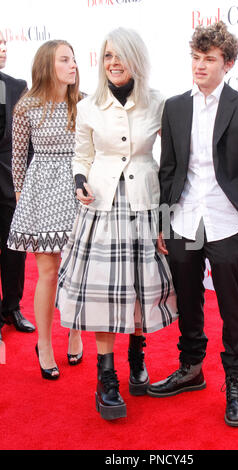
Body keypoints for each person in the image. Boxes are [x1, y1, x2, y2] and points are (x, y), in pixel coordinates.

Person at [147, 22, 238, 428]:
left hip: (226, 221)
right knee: (188, 298)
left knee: (232, 305)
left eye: (210, 59)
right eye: (196, 58)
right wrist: (163, 222)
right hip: (182, 219)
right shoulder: (176, 106)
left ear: (228, 64)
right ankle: (191, 368)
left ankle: (236, 380)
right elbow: (168, 169)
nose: (200, 66)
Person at [56, 27, 177, 420]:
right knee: (104, 292)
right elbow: (81, 156)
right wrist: (79, 180)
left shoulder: (159, 103)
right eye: (107, 56)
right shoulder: (90, 105)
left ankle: (136, 358)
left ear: (136, 59)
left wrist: (169, 217)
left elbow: (175, 159)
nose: (113, 62)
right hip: (102, 207)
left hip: (145, 203)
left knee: (141, 289)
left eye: (120, 55)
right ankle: (106, 376)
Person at [7, 40, 84, 379]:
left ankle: (76, 332)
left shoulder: (84, 104)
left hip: (79, 191)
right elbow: (18, 160)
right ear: (46, 66)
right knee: (48, 272)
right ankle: (45, 344)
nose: (73, 65)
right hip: (42, 192)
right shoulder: (27, 106)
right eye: (65, 60)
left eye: (74, 59)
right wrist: (26, 198)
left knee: (79, 269)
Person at [0, 30, 35, 341]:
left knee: (15, 249)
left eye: (3, 43)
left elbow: (27, 139)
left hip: (9, 181)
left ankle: (11, 307)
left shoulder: (17, 86)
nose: (2, 49)